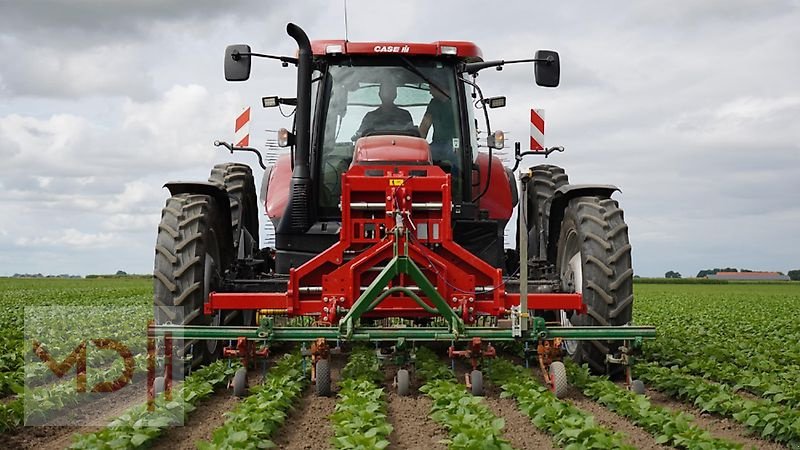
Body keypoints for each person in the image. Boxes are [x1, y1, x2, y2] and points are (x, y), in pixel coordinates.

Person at [419, 84, 459, 178]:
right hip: (438, 143)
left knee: (456, 155)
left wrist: (457, 146)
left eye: (431, 89)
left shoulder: (457, 102)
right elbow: (425, 126)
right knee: (422, 156)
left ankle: (455, 182)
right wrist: (418, 145)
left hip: (455, 143)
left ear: (439, 87)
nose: (430, 92)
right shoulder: (434, 103)